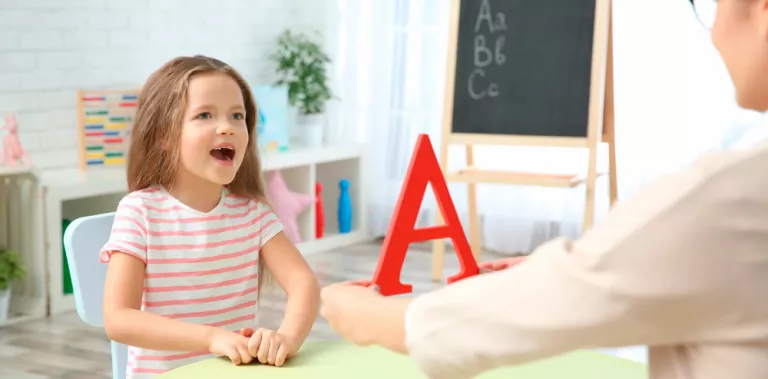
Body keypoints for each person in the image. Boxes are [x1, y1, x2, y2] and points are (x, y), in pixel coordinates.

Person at [319, 1, 768, 378]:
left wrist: (371, 316)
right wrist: (558, 268)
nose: (712, 35)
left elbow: (570, 298)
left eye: (714, 6)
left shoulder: (733, 191)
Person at [100, 55, 320, 379]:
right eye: (205, 114)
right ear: (164, 134)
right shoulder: (140, 212)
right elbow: (119, 319)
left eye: (237, 116)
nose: (226, 127)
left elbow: (304, 285)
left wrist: (287, 338)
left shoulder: (253, 214)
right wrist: (211, 338)